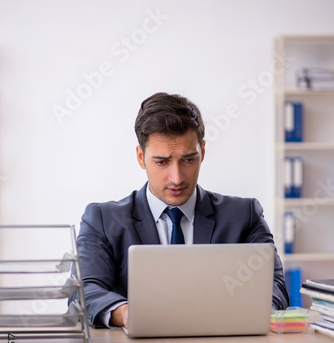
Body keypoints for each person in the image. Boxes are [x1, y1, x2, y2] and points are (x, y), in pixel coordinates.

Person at [75, 92, 289, 329]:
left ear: (203, 152)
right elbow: (84, 290)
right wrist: (129, 314)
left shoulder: (244, 215)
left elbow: (275, 287)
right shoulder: (102, 220)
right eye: (162, 162)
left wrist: (240, 315)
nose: (177, 178)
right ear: (140, 157)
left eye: (188, 160)